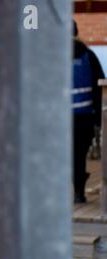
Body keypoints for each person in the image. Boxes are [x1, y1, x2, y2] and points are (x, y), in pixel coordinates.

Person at [72, 21, 105, 203]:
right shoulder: (88, 55)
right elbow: (100, 85)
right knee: (79, 154)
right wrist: (99, 119)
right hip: (84, 117)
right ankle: (78, 191)